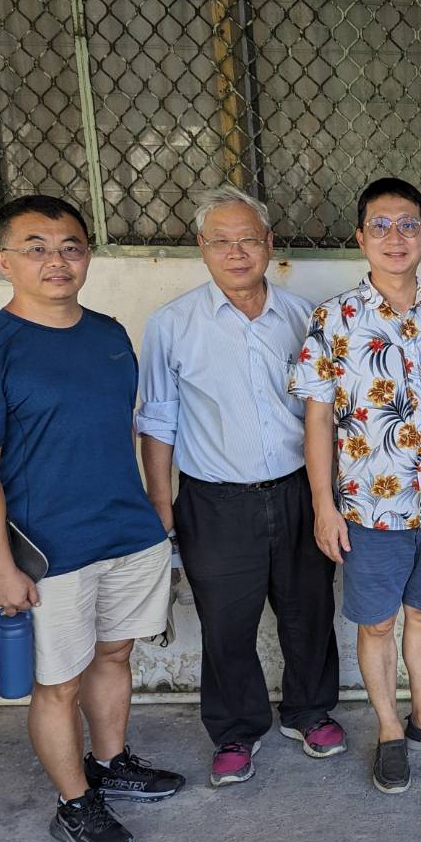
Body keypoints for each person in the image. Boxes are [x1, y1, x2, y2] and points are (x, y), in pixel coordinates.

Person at [0, 195, 183, 842]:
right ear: (3, 261)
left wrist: (157, 516)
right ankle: (74, 802)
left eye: (70, 246)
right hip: (50, 554)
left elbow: (127, 431)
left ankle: (108, 765)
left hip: (127, 533)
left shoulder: (108, 334)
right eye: (36, 247)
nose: (56, 260)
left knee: (114, 656)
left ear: (88, 256)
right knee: (58, 683)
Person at [138, 186, 343, 788]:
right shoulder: (172, 325)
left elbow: (327, 412)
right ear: (201, 248)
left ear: (269, 246)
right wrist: (161, 503)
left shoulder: (306, 317)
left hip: (299, 491)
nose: (236, 252)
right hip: (214, 500)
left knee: (309, 609)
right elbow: (157, 418)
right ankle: (234, 730)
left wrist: (329, 495)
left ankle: (309, 711)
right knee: (226, 623)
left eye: (248, 239)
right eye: (221, 241)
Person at [293, 177, 421, 795]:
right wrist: (324, 507)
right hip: (370, 508)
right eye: (380, 225)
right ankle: (390, 729)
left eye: (408, 225)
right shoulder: (334, 319)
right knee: (376, 624)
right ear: (360, 238)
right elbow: (317, 419)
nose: (395, 237)